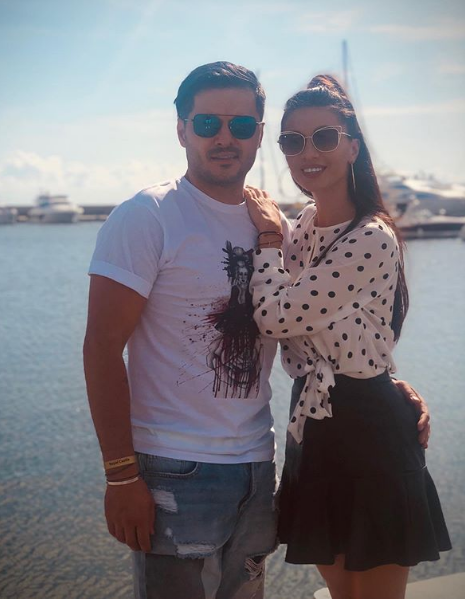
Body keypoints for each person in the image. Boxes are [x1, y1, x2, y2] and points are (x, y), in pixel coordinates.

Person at [83, 62, 431, 599]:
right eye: (207, 124)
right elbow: (102, 348)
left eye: (242, 125)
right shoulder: (147, 216)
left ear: (259, 135)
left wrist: (385, 384)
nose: (225, 138)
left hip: (258, 463)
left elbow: (334, 320)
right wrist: (121, 475)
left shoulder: (280, 228)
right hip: (175, 469)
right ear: (181, 130)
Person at [244, 75, 451, 599]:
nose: (307, 152)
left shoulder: (372, 237)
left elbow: (275, 317)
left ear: (352, 146)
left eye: (324, 137)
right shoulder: (302, 227)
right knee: (342, 593)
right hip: (315, 426)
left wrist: (266, 238)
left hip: (370, 430)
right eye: (292, 140)